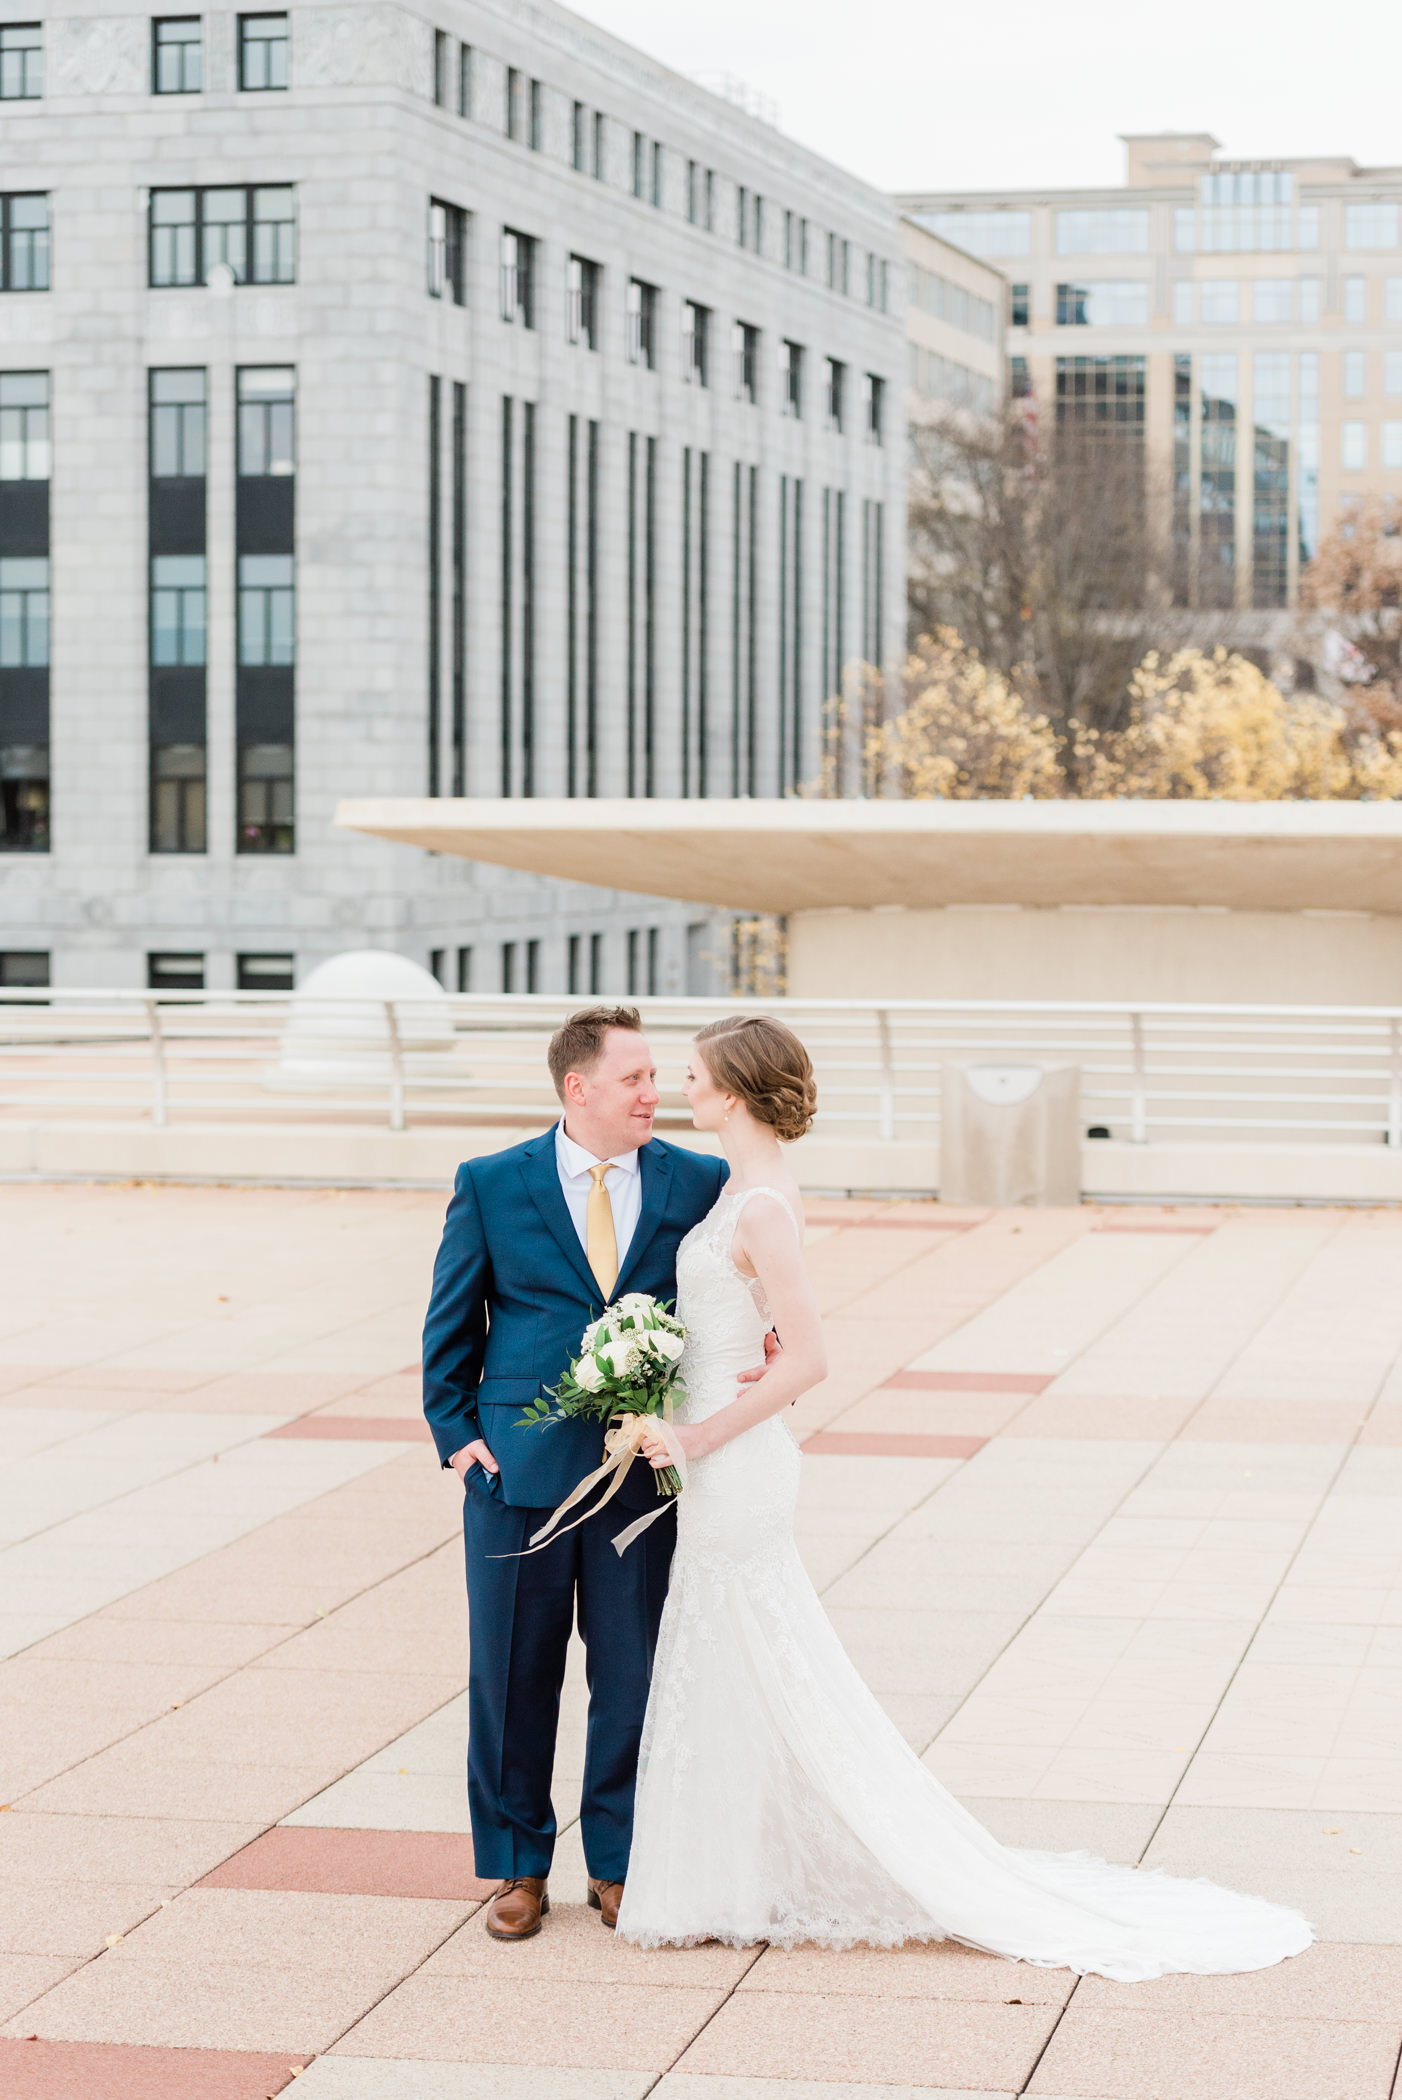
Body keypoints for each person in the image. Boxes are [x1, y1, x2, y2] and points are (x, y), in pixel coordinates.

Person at [618, 1013, 1314, 1981]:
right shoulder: (744, 1190)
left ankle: (727, 1879)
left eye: (690, 1074)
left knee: (744, 1655)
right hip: (720, 1458)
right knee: (731, 1659)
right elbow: (763, 1329)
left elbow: (813, 1359)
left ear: (731, 1090)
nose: (680, 1088)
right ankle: (728, 1873)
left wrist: (693, 1433)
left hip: (735, 1464)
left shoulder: (763, 1205)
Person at [422, 1006, 767, 1943]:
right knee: (510, 1675)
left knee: (634, 1675)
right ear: (579, 1089)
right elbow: (452, 1318)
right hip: (516, 1476)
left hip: (642, 1477)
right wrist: (457, 1435)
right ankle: (518, 1866)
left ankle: (619, 1863)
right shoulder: (494, 1182)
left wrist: (762, 1344)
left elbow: (734, 1284)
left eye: (658, 1076)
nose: (655, 1093)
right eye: (636, 1079)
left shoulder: (699, 1181)